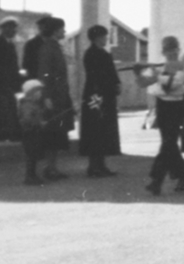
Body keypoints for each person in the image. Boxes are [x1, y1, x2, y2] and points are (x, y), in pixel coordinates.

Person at [136, 36, 184, 195]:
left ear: (178, 50)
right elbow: (142, 83)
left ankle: (156, 180)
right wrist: (139, 72)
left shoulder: (182, 66)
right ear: (163, 51)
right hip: (162, 105)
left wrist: (156, 76)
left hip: (176, 106)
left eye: (174, 49)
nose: (172, 53)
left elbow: (172, 85)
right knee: (169, 144)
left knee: (168, 143)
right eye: (168, 50)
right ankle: (183, 176)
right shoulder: (158, 66)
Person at [31, 17, 73, 179]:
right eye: (62, 28)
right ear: (55, 31)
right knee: (52, 133)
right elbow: (44, 73)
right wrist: (46, 96)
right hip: (53, 97)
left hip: (59, 96)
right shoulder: (48, 48)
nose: (64, 31)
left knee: (57, 133)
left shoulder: (54, 47)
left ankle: (52, 167)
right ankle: (50, 168)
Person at [79, 24, 121, 178]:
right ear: (97, 37)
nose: (106, 39)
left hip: (104, 95)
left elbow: (111, 72)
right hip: (96, 96)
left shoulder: (102, 53)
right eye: (104, 36)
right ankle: (93, 166)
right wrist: (105, 90)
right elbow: (97, 75)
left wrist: (116, 84)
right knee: (95, 129)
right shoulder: (92, 54)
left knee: (103, 130)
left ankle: (101, 165)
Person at [0, 16, 23, 142]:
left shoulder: (9, 45)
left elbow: (13, 67)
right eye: (11, 28)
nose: (14, 31)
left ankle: (8, 138)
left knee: (8, 112)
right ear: (4, 29)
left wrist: (16, 84)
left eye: (15, 28)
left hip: (7, 86)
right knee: (0, 113)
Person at [17, 80, 58, 186]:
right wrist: (39, 123)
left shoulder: (32, 104)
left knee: (34, 156)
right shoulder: (27, 105)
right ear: (32, 93)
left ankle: (33, 175)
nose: (40, 94)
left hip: (34, 132)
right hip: (30, 133)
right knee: (31, 156)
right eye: (39, 92)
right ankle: (30, 176)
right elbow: (27, 119)